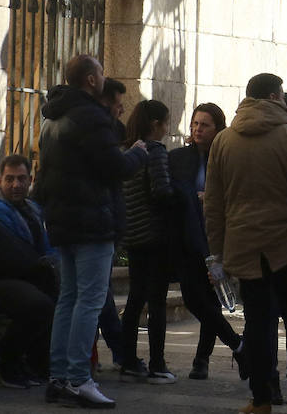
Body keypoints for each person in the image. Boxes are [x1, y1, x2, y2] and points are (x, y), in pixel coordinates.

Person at [204, 72, 287, 414]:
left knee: (258, 325)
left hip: (243, 246)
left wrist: (218, 251)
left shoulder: (223, 141)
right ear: (276, 96)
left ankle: (260, 399)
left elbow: (213, 204)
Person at [34, 54, 148, 408]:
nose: (104, 76)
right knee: (90, 300)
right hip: (92, 221)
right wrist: (139, 154)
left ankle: (58, 376)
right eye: (100, 72)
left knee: (69, 298)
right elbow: (113, 166)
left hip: (64, 221)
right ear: (90, 80)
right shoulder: (89, 116)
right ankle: (79, 378)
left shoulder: (52, 118)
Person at [167, 102, 243, 381]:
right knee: (193, 298)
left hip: (216, 237)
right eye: (195, 124)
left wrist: (210, 200)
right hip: (187, 238)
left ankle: (202, 359)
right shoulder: (178, 158)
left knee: (210, 300)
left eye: (205, 125)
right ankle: (238, 344)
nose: (198, 129)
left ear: (217, 128)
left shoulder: (225, 158)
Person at [0, 154, 56, 390]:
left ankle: (36, 362)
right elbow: (4, 250)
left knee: (46, 284)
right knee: (38, 304)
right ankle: (5, 360)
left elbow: (8, 247)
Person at [117, 99, 176, 385]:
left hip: (132, 234)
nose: (168, 128)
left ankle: (127, 359)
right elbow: (162, 192)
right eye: (166, 122)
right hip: (155, 235)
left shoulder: (126, 149)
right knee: (157, 303)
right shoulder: (155, 151)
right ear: (156, 124)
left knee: (135, 298)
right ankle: (157, 364)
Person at [96, 78, 129, 372]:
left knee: (97, 295)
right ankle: (120, 352)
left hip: (107, 224)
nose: (121, 110)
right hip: (95, 225)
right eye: (118, 104)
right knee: (97, 296)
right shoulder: (97, 131)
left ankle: (117, 352)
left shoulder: (110, 129)